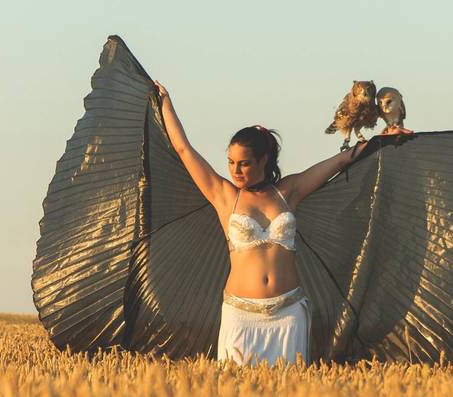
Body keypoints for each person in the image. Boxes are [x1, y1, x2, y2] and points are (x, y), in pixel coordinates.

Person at [152, 80, 412, 367]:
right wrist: (166, 102)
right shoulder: (225, 196)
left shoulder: (289, 191)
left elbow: (339, 162)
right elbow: (183, 149)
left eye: (244, 163)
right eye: (231, 163)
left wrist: (384, 139)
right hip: (240, 315)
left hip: (289, 315)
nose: (235, 171)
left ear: (264, 160)